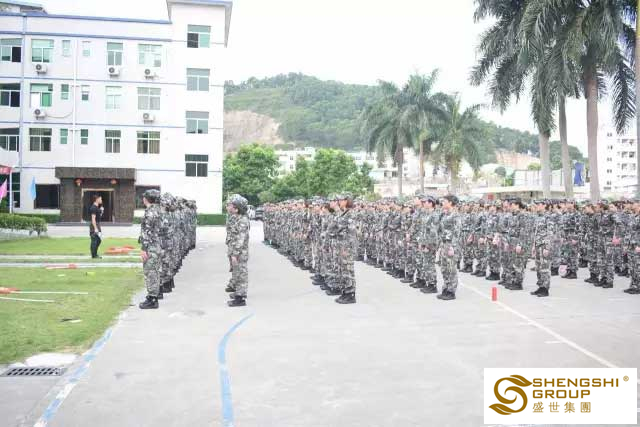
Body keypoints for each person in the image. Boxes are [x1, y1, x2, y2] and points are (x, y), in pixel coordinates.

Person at [139, 189, 163, 309]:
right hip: (156, 245)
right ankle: (153, 296)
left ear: (147, 199)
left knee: (150, 272)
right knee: (155, 271)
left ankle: (152, 299)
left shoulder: (150, 212)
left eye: (144, 197)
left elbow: (147, 232)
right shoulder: (158, 210)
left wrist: (144, 248)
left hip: (151, 247)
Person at [226, 194, 250, 307]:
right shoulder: (237, 218)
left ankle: (240, 298)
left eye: (230, 205)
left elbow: (240, 239)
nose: (228, 206)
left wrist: (235, 254)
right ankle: (238, 293)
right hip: (236, 251)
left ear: (236, 208)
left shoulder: (243, 220)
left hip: (240, 253)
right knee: (237, 272)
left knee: (241, 274)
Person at [89, 194, 103, 259]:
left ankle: (95, 254)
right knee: (94, 240)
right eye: (100, 199)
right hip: (94, 225)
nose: (101, 200)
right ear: (97, 199)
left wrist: (101, 211)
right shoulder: (93, 208)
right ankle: (94, 255)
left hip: (98, 225)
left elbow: (99, 217)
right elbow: (93, 219)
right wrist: (95, 228)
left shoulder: (97, 207)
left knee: (98, 240)